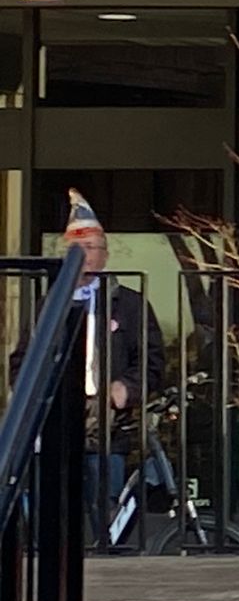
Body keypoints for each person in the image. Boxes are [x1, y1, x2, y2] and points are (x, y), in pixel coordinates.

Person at [11, 191, 168, 544]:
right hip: (57, 420)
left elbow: (153, 362)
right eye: (81, 248)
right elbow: (21, 362)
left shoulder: (128, 303)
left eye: (96, 248)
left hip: (106, 423)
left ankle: (109, 567)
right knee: (50, 507)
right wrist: (37, 397)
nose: (88, 256)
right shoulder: (48, 305)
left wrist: (127, 387)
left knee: (106, 508)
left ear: (106, 254)